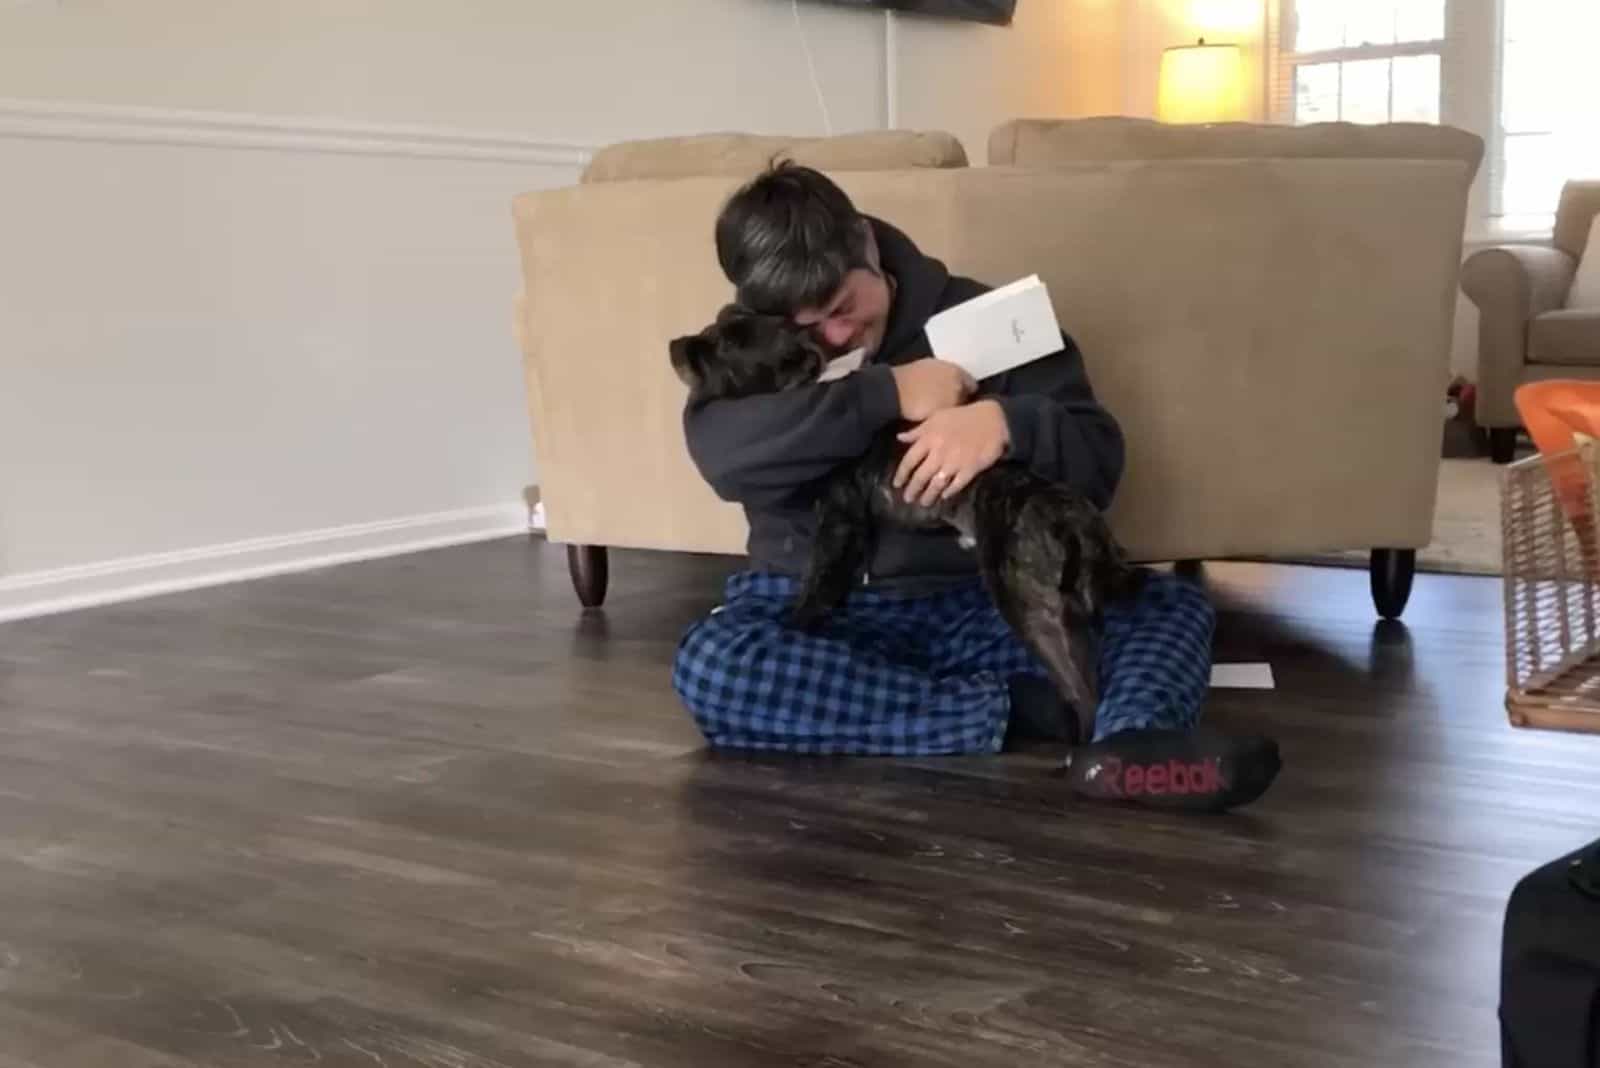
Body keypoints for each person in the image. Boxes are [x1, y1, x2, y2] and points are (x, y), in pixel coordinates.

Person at [670, 162, 1280, 811]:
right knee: (713, 665)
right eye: (806, 328)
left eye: (845, 308)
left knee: (1169, 607)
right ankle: (1028, 712)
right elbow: (723, 457)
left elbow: (1101, 463)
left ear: (869, 249)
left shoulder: (985, 317)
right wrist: (889, 392)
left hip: (985, 604)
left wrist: (1006, 423)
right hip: (818, 611)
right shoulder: (748, 346)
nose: (835, 337)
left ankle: (1134, 747)